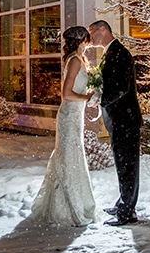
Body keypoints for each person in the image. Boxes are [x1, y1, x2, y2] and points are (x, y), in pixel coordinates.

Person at [30, 26, 97, 226]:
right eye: (86, 39)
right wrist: (86, 97)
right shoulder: (75, 60)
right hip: (69, 115)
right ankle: (67, 206)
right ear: (80, 41)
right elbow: (66, 94)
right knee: (69, 157)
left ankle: (74, 201)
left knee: (72, 157)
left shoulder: (80, 60)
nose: (89, 42)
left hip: (76, 116)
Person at [88, 19, 143, 226]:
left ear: (103, 29)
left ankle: (128, 211)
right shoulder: (111, 53)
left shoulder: (119, 53)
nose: (91, 37)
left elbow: (120, 88)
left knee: (127, 164)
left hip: (125, 120)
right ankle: (123, 202)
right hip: (118, 119)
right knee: (123, 163)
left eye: (92, 32)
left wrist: (99, 99)